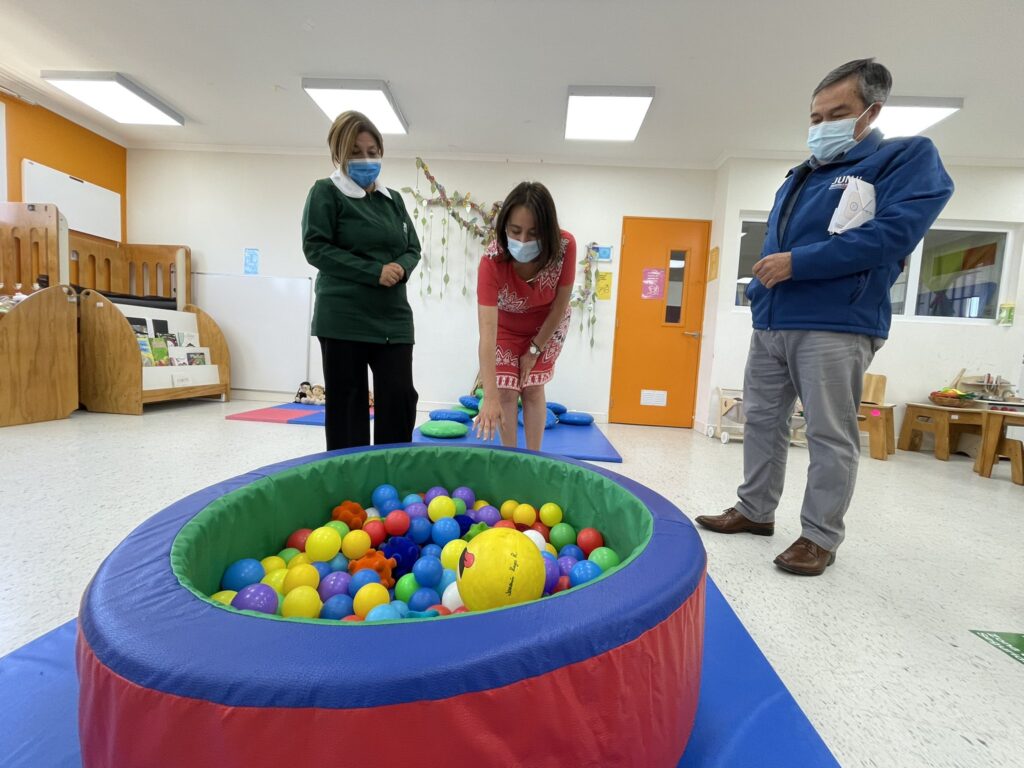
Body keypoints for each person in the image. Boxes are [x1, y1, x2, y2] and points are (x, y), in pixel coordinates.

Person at [696, 59, 953, 575]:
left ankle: (819, 536)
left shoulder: (904, 158)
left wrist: (799, 263)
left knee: (828, 433)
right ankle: (755, 510)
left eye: (837, 113)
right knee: (763, 422)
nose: (822, 126)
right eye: (815, 116)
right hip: (772, 321)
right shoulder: (801, 175)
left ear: (871, 112)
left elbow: (892, 237)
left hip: (837, 322)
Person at [301, 110, 421, 450]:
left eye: (372, 151)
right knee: (347, 403)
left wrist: (400, 265)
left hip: (393, 319)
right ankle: (349, 481)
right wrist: (373, 271)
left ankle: (392, 472)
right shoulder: (325, 192)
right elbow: (316, 248)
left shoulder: (393, 200)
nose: (366, 159)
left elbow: (413, 247)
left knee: (400, 396)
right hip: (342, 318)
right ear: (339, 153)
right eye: (356, 151)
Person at [474, 182, 576, 451]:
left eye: (533, 233)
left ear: (548, 231)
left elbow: (561, 303)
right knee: (506, 391)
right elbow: (487, 335)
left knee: (532, 388)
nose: (523, 241)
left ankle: (534, 457)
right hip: (506, 327)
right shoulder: (491, 262)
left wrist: (534, 349)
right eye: (515, 231)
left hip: (548, 324)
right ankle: (512, 458)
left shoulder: (565, 246)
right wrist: (490, 397)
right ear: (504, 226)